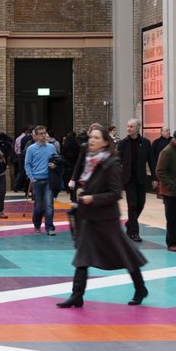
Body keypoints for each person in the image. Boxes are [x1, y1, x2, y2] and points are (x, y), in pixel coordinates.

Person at [59, 124, 149, 308]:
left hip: (107, 219)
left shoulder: (111, 163)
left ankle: (140, 288)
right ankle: (77, 295)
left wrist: (93, 198)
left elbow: (116, 193)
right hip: (89, 218)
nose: (91, 140)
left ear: (106, 142)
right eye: (91, 137)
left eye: (96, 138)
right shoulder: (89, 159)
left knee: (125, 255)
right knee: (83, 257)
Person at [117, 119, 155, 239]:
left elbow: (152, 161)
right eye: (128, 126)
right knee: (132, 205)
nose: (129, 128)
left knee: (141, 205)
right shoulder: (123, 143)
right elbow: (117, 161)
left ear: (138, 128)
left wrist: (155, 178)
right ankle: (134, 232)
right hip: (129, 179)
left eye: (131, 126)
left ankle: (130, 223)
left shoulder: (145, 143)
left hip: (141, 178)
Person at [23, 126, 58, 236]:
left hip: (49, 180)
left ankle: (49, 227)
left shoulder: (52, 147)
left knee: (49, 204)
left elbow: (57, 160)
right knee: (38, 206)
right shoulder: (31, 149)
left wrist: (55, 165)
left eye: (44, 133)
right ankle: (37, 225)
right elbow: (27, 164)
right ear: (36, 136)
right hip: (37, 180)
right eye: (41, 133)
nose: (43, 135)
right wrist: (32, 178)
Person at [57, 129, 83, 202]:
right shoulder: (77, 145)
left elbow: (62, 154)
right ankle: (74, 195)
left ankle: (71, 195)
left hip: (67, 166)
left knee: (69, 181)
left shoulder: (66, 145)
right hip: (75, 165)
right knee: (75, 181)